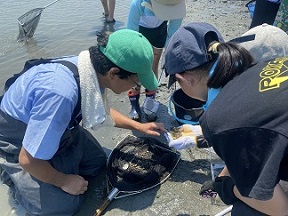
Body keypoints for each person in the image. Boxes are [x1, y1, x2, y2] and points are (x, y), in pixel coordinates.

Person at [0, 29, 166, 215]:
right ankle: (9, 172)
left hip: (58, 123)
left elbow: (100, 109)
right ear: (113, 73)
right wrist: (62, 180)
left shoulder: (92, 69)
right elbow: (28, 159)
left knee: (96, 163)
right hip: (16, 138)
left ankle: (53, 156)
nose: (137, 87)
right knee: (63, 207)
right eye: (136, 82)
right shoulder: (60, 94)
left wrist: (139, 126)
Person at [164, 22, 288, 215]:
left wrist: (230, 188)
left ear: (185, 78)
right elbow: (254, 139)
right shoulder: (262, 66)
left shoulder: (221, 119)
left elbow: (280, 209)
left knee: (245, 210)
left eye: (178, 83)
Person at [126, 0, 186, 122]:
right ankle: (134, 104)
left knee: (154, 64)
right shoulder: (138, 4)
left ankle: (150, 100)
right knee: (136, 69)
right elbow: (130, 33)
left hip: (159, 32)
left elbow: (172, 33)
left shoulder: (177, 5)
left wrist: (167, 54)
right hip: (140, 31)